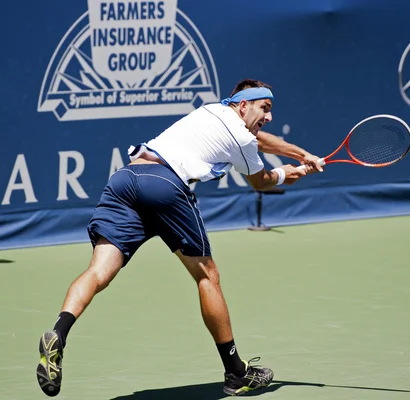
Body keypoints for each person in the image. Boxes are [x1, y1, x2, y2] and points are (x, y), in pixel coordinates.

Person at [36, 78, 323, 397]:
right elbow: (262, 180)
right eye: (264, 108)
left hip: (124, 179)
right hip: (165, 185)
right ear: (244, 105)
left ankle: (59, 332)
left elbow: (261, 140)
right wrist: (295, 171)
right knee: (208, 277)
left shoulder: (213, 110)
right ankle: (235, 372)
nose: (269, 116)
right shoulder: (241, 137)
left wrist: (302, 153)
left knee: (98, 272)